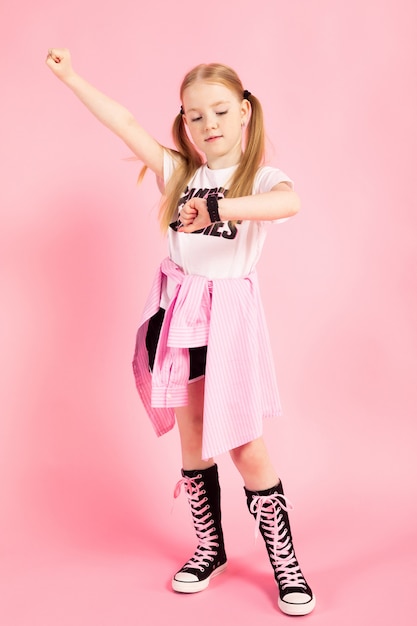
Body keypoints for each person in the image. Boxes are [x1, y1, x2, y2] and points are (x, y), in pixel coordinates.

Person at [46, 48, 316, 616]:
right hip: (181, 310)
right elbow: (124, 123)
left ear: (244, 112)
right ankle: (209, 548)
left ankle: (286, 565)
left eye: (219, 111)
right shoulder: (180, 174)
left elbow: (287, 201)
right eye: (195, 116)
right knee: (191, 435)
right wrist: (71, 76)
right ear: (184, 122)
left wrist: (220, 207)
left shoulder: (259, 177)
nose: (208, 125)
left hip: (230, 316)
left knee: (244, 441)